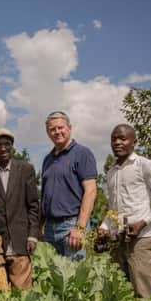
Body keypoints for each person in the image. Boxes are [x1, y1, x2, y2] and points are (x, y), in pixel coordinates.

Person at [97, 124, 151, 298]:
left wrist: (143, 222)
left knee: (143, 294)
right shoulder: (110, 173)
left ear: (134, 142)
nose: (117, 142)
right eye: (114, 139)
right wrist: (104, 227)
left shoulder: (145, 165)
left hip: (141, 240)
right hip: (118, 242)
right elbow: (113, 210)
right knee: (120, 295)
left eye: (123, 139)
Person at [0, 128, 40, 289]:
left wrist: (32, 236)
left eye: (7, 144)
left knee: (22, 292)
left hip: (20, 240)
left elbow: (33, 205)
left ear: (12, 146)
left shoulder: (25, 169)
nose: (3, 148)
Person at [39, 111, 97, 261]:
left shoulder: (82, 153)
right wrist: (40, 226)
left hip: (71, 227)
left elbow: (90, 191)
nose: (57, 132)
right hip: (50, 228)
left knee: (73, 279)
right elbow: (44, 196)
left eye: (60, 127)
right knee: (52, 279)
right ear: (48, 133)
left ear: (69, 128)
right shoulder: (47, 160)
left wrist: (80, 227)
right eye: (52, 129)